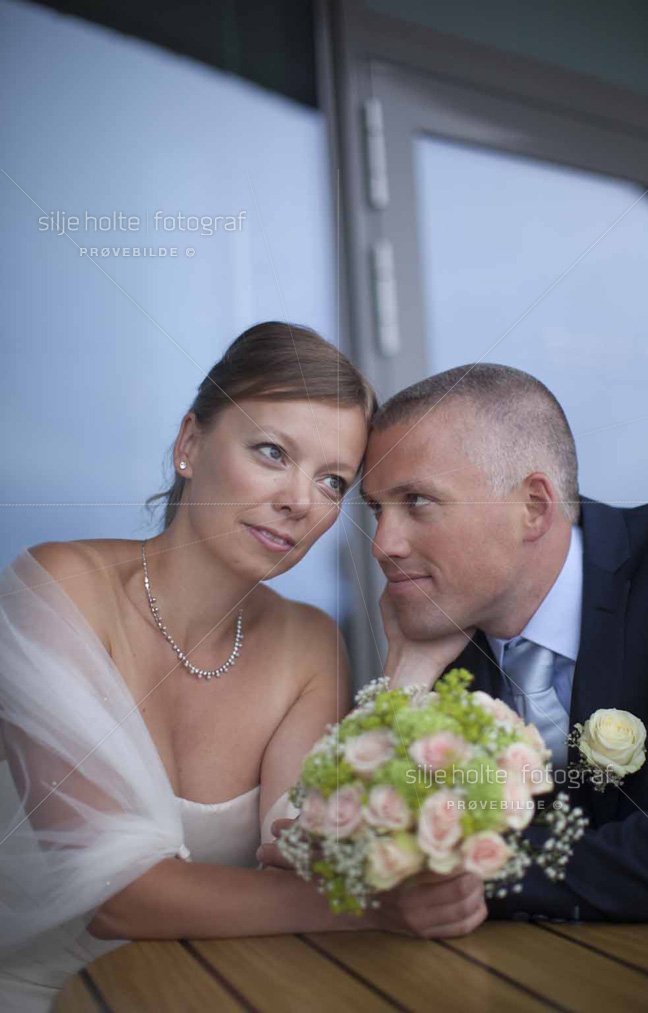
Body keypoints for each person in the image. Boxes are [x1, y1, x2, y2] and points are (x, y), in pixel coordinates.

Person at [0, 321, 386, 1011]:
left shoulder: (309, 643)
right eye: (272, 452)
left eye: (332, 481)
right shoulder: (57, 587)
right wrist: (375, 911)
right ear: (189, 444)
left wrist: (414, 661)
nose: (299, 501)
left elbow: (308, 859)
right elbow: (116, 898)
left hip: (218, 993)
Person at [354, 362, 648, 927]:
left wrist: (477, 874)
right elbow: (368, 851)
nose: (383, 544)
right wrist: (406, 675)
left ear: (533, 506)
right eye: (377, 509)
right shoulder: (443, 634)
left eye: (417, 501)